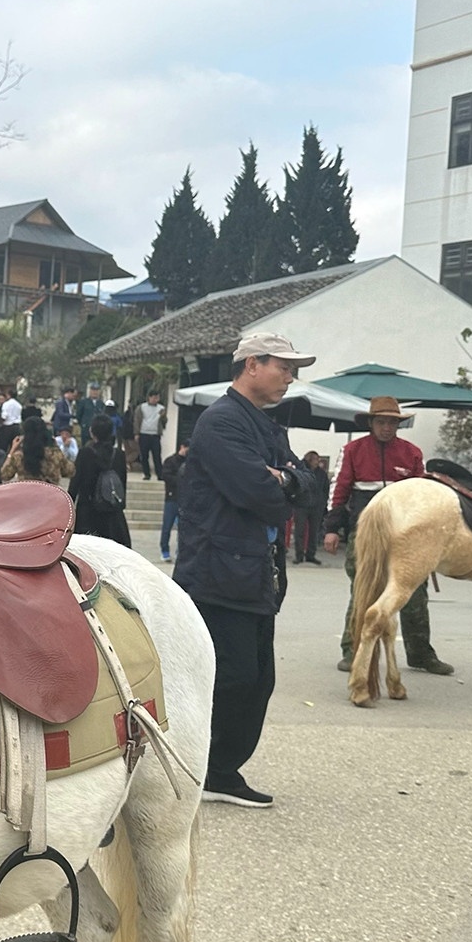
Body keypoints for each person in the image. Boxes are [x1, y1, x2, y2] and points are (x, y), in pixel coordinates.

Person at [173, 332, 316, 809]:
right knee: (230, 678)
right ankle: (202, 767)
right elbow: (260, 494)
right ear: (252, 364)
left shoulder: (269, 427)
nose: (290, 377)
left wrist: (288, 478)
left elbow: (310, 486)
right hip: (218, 574)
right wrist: (281, 482)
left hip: (255, 574)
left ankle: (218, 769)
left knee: (258, 679)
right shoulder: (221, 422)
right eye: (284, 367)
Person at [324, 397, 454, 677]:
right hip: (366, 531)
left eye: (392, 422)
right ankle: (352, 650)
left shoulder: (412, 453)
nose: (386, 427)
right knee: (363, 588)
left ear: (399, 424)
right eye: (381, 422)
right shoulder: (352, 451)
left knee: (415, 592)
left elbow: (425, 495)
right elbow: (339, 491)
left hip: (408, 533)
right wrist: (332, 529)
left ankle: (420, 653)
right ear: (371, 423)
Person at [68, 414, 130, 546]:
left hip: (88, 512)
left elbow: (75, 482)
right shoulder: (119, 455)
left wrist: (68, 506)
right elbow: (122, 483)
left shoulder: (85, 453)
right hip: (112, 513)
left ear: (92, 432)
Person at [3, 416, 72, 484]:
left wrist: (12, 450)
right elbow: (70, 471)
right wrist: (56, 446)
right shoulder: (55, 454)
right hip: (49, 493)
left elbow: (4, 475)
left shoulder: (19, 456)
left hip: (26, 493)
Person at [292, 451, 329, 565]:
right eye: (316, 459)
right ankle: (299, 555)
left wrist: (323, 503)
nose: (318, 462)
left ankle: (311, 554)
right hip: (301, 505)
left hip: (316, 506)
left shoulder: (321, 473)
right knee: (299, 531)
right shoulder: (301, 471)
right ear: (309, 460)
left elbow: (326, 488)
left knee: (314, 532)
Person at [158, 440, 188, 562]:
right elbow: (166, 476)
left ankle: (180, 551)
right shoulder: (170, 461)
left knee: (183, 528)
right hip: (171, 498)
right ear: (182, 447)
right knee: (167, 526)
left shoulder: (190, 462)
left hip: (184, 499)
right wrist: (180, 480)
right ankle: (164, 550)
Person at [134, 393, 165, 480]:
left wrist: (163, 417)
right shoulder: (142, 407)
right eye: (154, 398)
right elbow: (137, 420)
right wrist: (136, 433)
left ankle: (159, 474)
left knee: (157, 455)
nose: (155, 399)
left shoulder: (161, 408)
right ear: (149, 398)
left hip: (155, 434)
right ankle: (147, 474)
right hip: (144, 433)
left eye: (157, 398)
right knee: (144, 455)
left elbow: (164, 422)